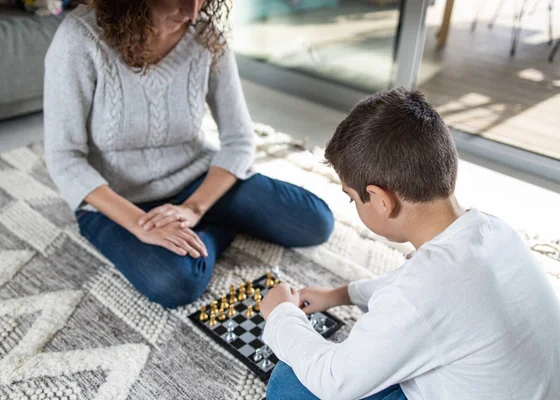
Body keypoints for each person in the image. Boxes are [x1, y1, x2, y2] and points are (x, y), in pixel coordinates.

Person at [260, 88, 560, 400]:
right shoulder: (491, 229)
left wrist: (281, 314)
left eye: (352, 199)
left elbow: (335, 382)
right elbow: (419, 288)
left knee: (289, 383)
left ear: (379, 200)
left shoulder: (420, 293)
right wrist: (343, 294)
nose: (353, 204)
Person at [44, 0, 334, 309]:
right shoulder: (81, 37)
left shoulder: (206, 36)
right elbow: (64, 157)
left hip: (195, 178)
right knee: (175, 282)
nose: (193, 11)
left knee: (315, 222)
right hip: (116, 200)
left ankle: (200, 223)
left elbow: (239, 139)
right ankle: (215, 232)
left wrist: (195, 207)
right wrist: (143, 225)